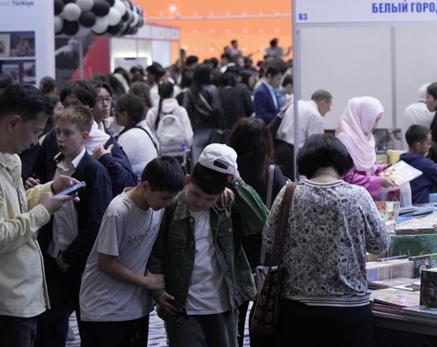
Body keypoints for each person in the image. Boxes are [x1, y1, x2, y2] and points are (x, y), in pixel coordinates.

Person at [257, 134, 390, 347]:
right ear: (343, 162)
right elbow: (381, 244)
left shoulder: (289, 193)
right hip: (351, 311)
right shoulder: (358, 195)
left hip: (299, 312)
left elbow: (270, 241)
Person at [147, 144, 267, 347]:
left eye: (209, 198)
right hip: (182, 308)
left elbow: (261, 220)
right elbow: (155, 253)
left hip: (223, 305)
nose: (200, 203)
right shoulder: (171, 208)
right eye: (195, 194)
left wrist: (236, 181)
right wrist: (158, 293)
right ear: (187, 181)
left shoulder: (226, 205)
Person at [0, 84, 79, 347]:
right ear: (13, 122)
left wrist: (50, 188)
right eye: (35, 132)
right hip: (7, 303)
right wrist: (44, 211)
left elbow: (18, 207)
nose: (35, 141)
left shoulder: (11, 158)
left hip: (25, 295)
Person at [78, 156, 185, 347]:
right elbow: (106, 263)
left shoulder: (158, 207)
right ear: (145, 186)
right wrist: (146, 282)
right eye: (164, 197)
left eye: (172, 198)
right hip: (103, 308)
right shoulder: (118, 211)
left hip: (135, 307)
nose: (168, 203)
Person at [35, 106, 113, 347]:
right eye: (58, 132)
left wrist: (70, 256)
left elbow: (97, 222)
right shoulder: (52, 164)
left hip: (81, 262)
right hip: (52, 255)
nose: (60, 138)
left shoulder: (94, 171)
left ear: (84, 137)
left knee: (87, 324)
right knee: (50, 324)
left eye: (67, 133)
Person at [227, 117, 288, 347]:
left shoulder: (227, 175)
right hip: (263, 260)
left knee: (234, 323)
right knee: (261, 320)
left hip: (233, 258)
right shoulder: (273, 175)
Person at [27, 80, 136, 197]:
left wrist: (107, 160)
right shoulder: (53, 137)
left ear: (90, 108)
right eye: (66, 105)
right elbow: (40, 172)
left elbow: (129, 185)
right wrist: (34, 182)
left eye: (76, 105)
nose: (70, 111)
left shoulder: (105, 142)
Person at [336, 96, 411, 206]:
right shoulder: (345, 140)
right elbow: (347, 178)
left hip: (368, 196)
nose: (376, 124)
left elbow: (369, 167)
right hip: (353, 201)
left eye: (378, 119)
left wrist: (386, 168)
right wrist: (378, 181)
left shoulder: (366, 137)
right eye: (375, 119)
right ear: (364, 116)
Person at [274, 89, 332, 180]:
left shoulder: (296, 104)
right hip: (293, 155)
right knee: (292, 187)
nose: (329, 109)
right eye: (329, 105)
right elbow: (315, 145)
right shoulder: (315, 115)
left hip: (278, 149)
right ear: (322, 102)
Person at [182, 64, 225, 166]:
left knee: (197, 161)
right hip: (212, 129)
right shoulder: (212, 89)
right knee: (213, 160)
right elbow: (217, 109)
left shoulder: (189, 92)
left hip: (196, 130)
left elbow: (185, 109)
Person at [146, 82, 194, 166]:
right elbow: (188, 136)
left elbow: (150, 136)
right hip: (179, 156)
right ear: (173, 93)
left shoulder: (152, 112)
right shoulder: (180, 111)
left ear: (158, 93)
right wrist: (184, 147)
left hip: (160, 157)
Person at [114, 94, 159, 181]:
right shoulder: (145, 129)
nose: (115, 115)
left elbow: (116, 164)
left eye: (116, 112)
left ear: (124, 114)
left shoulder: (129, 136)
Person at [399, 125, 437, 204]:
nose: (430, 147)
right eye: (428, 144)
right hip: (423, 209)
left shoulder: (399, 163)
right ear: (418, 146)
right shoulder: (427, 165)